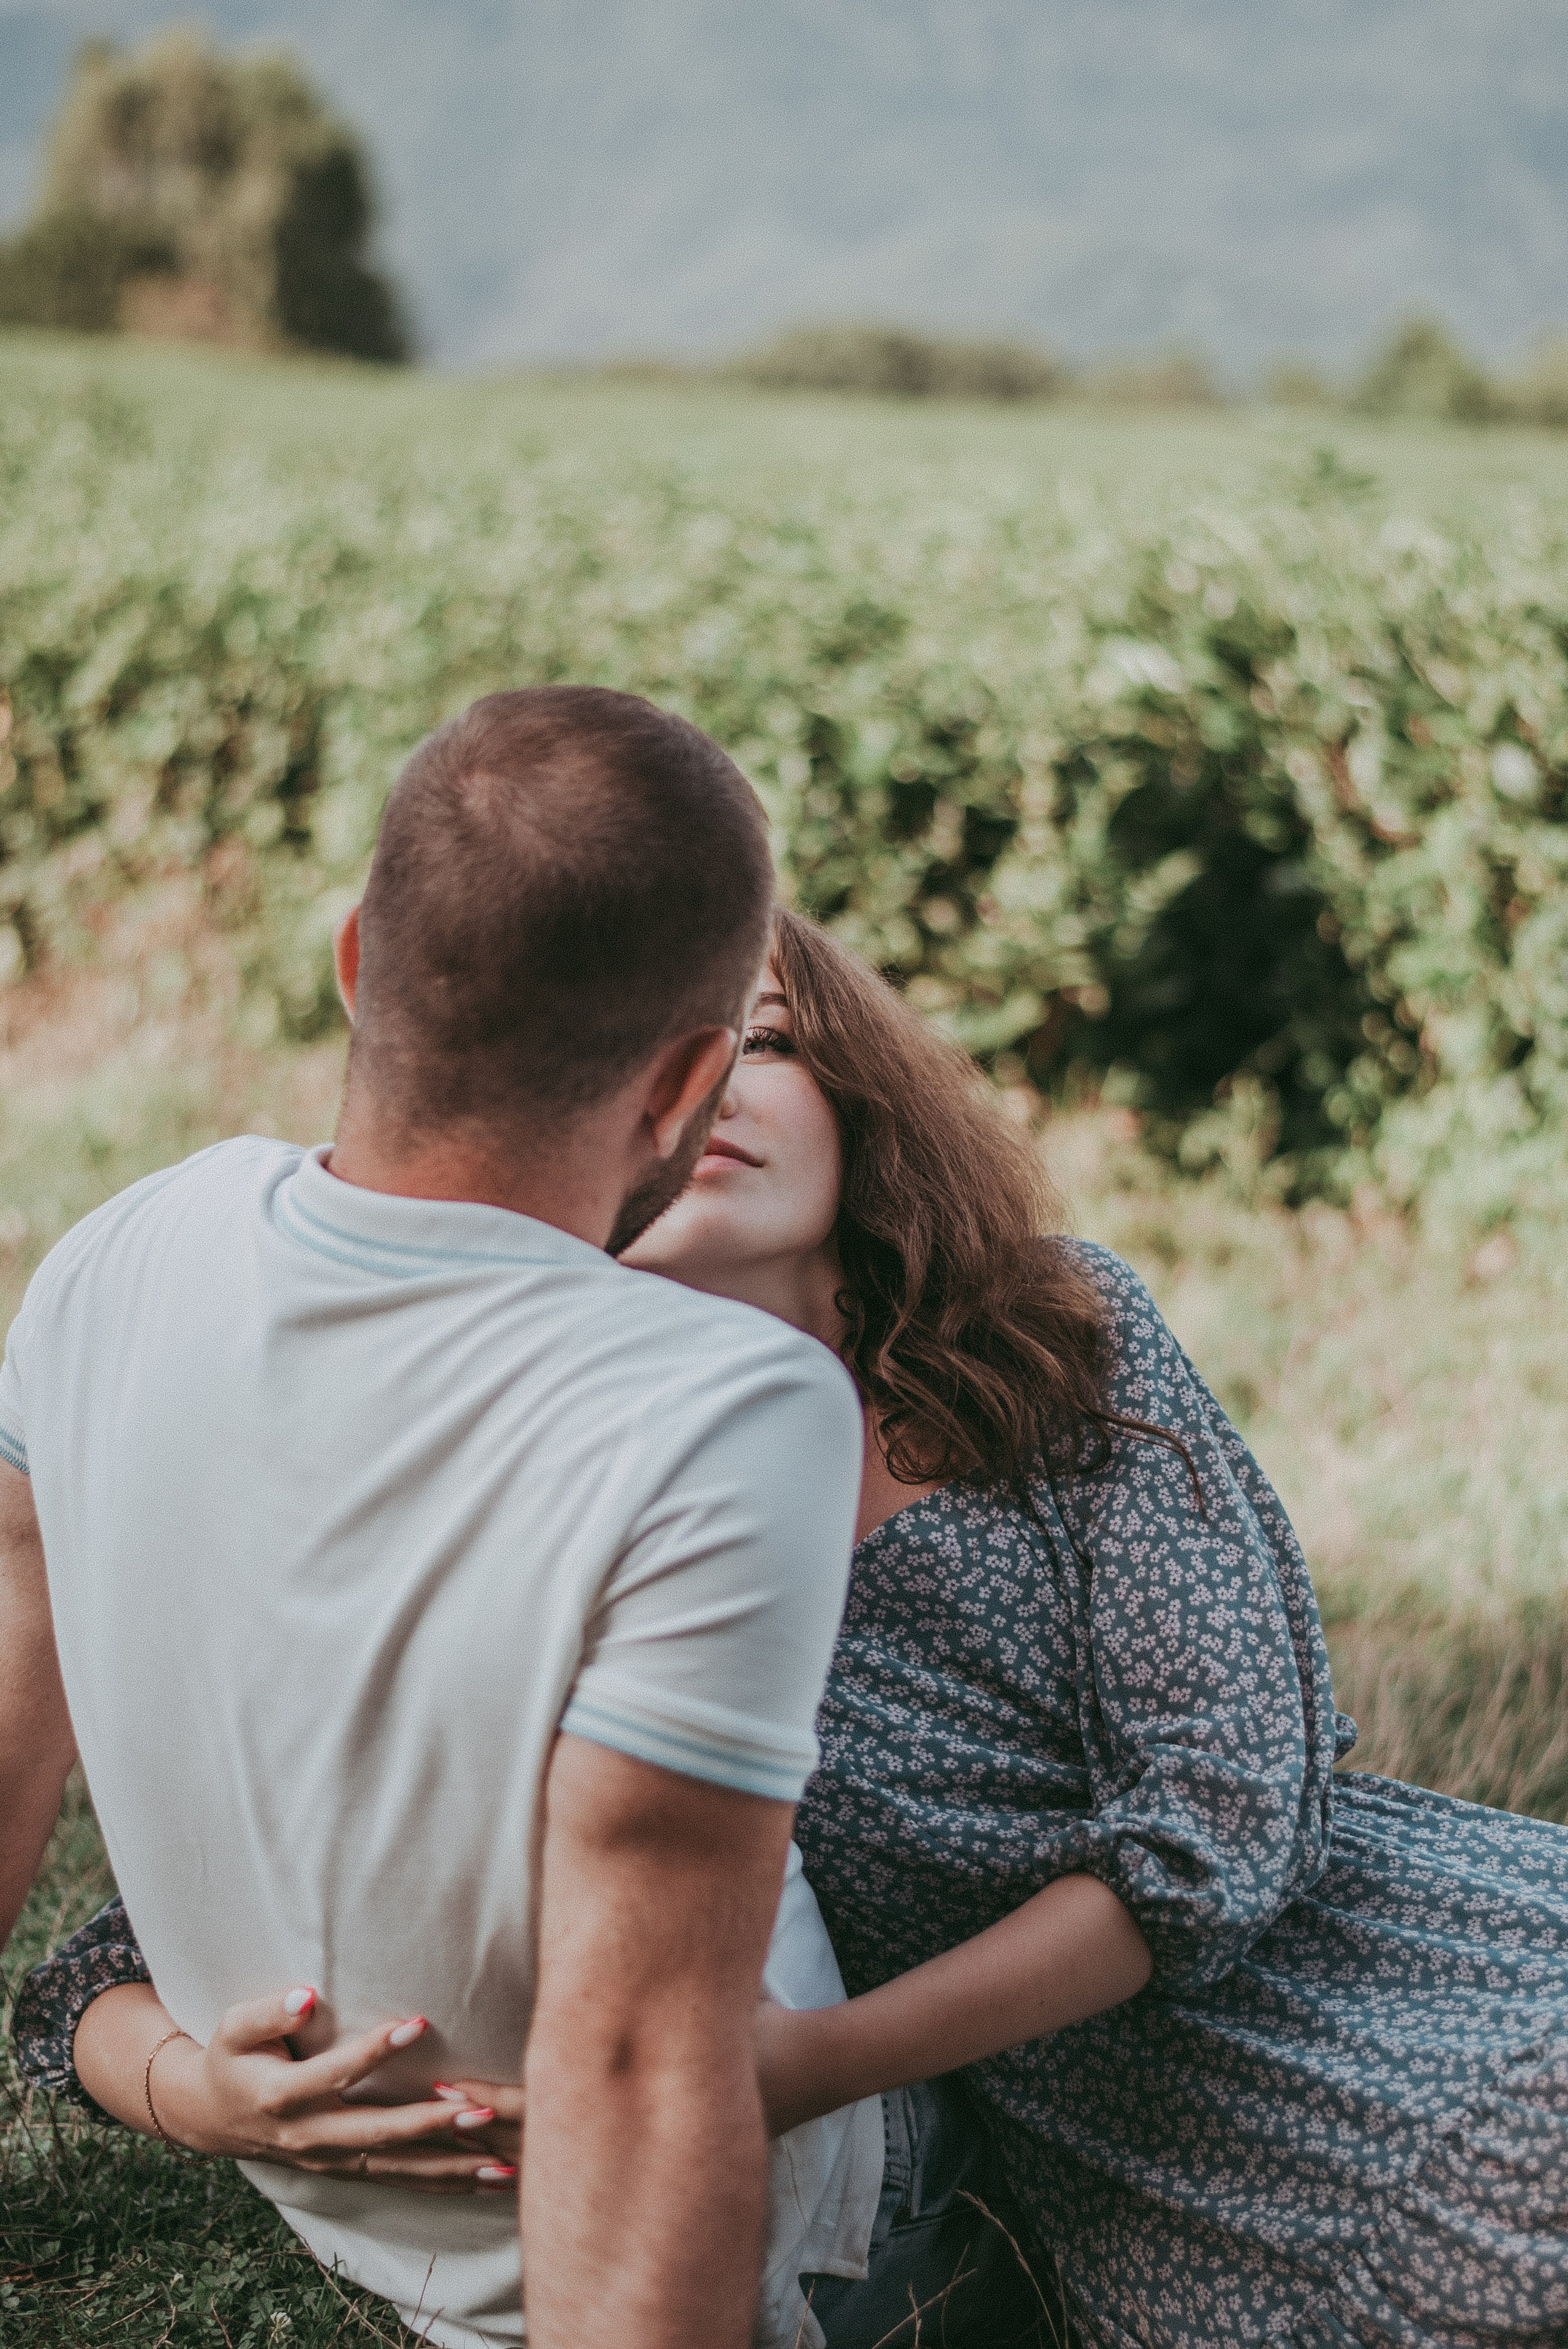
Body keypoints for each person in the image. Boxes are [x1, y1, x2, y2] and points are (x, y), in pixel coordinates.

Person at [26, 902, 1568, 2344]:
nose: (709, 1092)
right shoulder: (542, 1514)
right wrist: (187, 2089)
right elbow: (151, 1933)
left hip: (1380, 1947)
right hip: (1122, 2143)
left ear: (853, 1095)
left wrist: (806, 2062)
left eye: (760, 1043)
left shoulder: (1056, 1337)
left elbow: (1222, 1816)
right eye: (641, 1062)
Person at [0, 688, 887, 2349]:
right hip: (743, 2243)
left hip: (343, 2204)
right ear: (689, 1079)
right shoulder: (727, 1406)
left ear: (356, 962)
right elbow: (640, 2058)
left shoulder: (117, 1249)